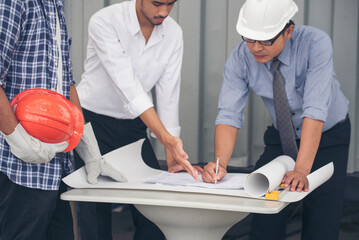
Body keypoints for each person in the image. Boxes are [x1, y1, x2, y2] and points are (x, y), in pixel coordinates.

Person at [202, 0, 350, 240]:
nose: (256, 48)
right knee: (264, 208)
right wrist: (220, 165)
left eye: (265, 40)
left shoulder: (315, 43)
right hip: (283, 136)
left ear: (288, 31)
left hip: (327, 135)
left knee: (321, 221)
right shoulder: (241, 57)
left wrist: (301, 170)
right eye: (249, 39)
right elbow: (229, 114)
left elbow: (314, 109)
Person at [74, 0, 200, 239]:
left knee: (153, 210)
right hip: (91, 125)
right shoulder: (105, 21)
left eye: (170, 4)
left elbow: (168, 93)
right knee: (95, 213)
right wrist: (165, 138)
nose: (163, 11)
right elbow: (127, 86)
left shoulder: (173, 33)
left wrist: (172, 152)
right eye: (157, 3)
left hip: (134, 125)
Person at [0, 1, 125, 239]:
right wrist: (18, 140)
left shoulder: (55, 5)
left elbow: (66, 83)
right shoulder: (15, 3)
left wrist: (87, 147)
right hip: (20, 170)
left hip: (55, 168)